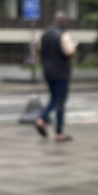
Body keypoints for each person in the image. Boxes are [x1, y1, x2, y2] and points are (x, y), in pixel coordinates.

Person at [35, 11, 77, 142]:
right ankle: (44, 121)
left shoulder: (43, 34)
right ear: (62, 21)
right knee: (59, 100)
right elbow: (69, 52)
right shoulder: (63, 35)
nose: (67, 23)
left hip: (47, 72)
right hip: (61, 72)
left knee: (56, 99)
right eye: (66, 21)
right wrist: (74, 50)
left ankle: (58, 131)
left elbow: (37, 50)